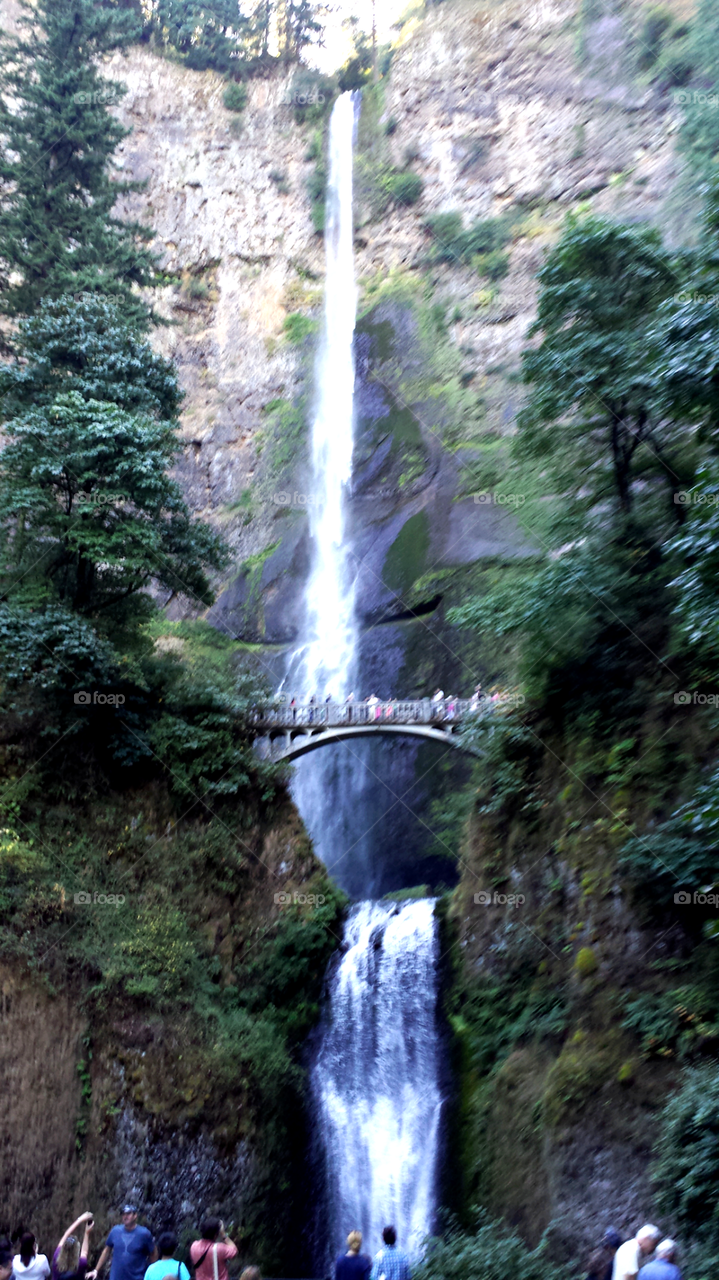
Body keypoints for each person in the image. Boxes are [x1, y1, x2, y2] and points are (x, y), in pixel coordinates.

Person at [86, 1206, 155, 1280]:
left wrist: (153, 1274)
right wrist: (96, 1270)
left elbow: (153, 1253)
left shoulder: (144, 1234)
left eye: (128, 1214)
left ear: (135, 1216)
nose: (125, 1216)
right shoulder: (115, 1231)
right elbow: (106, 1251)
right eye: (123, 1214)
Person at [53, 1214, 94, 1280]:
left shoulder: (56, 1257)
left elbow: (65, 1235)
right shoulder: (81, 1264)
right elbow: (84, 1252)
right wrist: (87, 1233)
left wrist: (79, 1220)